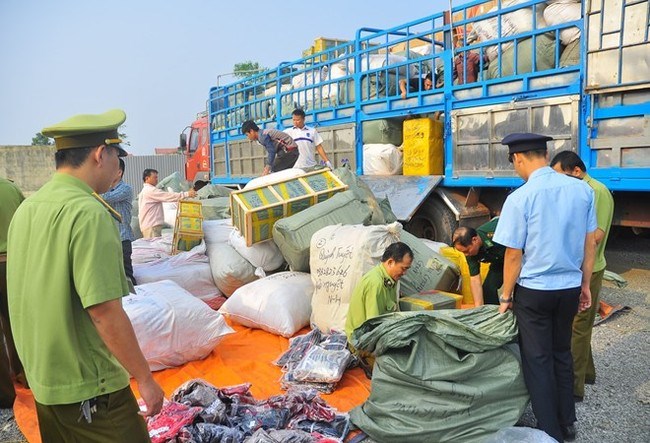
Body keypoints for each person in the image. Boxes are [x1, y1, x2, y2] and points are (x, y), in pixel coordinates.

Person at [7, 109, 164, 441]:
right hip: (91, 390)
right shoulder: (89, 213)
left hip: (46, 383)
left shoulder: (27, 209)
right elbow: (104, 312)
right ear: (99, 154)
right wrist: (145, 379)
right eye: (116, 157)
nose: (117, 168)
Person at [493, 133, 597, 443]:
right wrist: (586, 285)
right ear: (545, 153)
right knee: (561, 352)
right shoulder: (582, 191)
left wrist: (506, 295)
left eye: (514, 164)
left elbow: (513, 254)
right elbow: (589, 243)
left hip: (535, 291)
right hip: (568, 287)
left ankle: (549, 430)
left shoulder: (520, 197)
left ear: (518, 158)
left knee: (537, 360)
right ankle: (567, 422)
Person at [550, 150, 614, 402]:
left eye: (561, 175)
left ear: (576, 171)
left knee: (577, 328)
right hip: (576, 267)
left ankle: (573, 387)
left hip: (589, 268)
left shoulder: (595, 191)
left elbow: (595, 236)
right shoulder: (578, 190)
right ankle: (587, 373)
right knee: (578, 323)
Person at [345, 242, 413, 342]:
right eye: (403, 268)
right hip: (362, 342)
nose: (404, 273)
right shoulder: (376, 283)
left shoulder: (390, 280)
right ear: (390, 262)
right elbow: (374, 328)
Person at [0, 177, 25, 408]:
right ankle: (26, 376)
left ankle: (5, 395)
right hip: (11, 264)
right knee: (16, 323)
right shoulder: (10, 188)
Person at [452, 217, 505, 306]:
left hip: (521, 255)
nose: (466, 255)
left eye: (466, 251)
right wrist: (478, 309)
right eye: (463, 252)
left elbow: (515, 255)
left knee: (520, 292)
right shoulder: (470, 253)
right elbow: (475, 279)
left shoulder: (496, 233)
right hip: (499, 261)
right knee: (488, 289)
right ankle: (494, 316)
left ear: (475, 240)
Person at [102, 158, 136, 287]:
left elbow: (104, 199)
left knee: (127, 276)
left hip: (122, 239)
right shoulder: (107, 189)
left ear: (119, 172)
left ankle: (137, 301)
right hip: (111, 239)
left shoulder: (125, 188)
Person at [138, 168, 196, 238]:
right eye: (154, 177)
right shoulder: (150, 191)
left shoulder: (145, 191)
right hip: (151, 227)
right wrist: (185, 194)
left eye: (157, 177)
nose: (157, 179)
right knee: (154, 247)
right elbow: (167, 196)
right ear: (147, 178)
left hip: (150, 226)